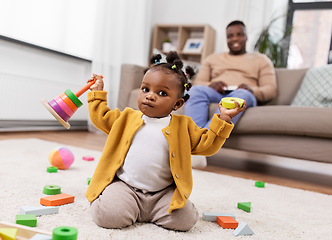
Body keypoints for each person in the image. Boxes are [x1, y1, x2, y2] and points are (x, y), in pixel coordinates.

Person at [85, 51, 246, 231]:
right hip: (126, 188)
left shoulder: (184, 126)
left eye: (161, 93)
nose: (150, 96)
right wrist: (97, 93)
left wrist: (223, 119)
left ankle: (147, 212)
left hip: (162, 194)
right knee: (108, 216)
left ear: (177, 104)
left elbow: (207, 144)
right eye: (145, 89)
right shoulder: (126, 117)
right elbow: (101, 116)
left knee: (186, 220)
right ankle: (124, 205)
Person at [184, 20, 277, 168]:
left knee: (240, 94)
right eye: (230, 36)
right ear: (226, 39)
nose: (234, 39)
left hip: (243, 94)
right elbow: (198, 83)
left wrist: (251, 90)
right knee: (195, 91)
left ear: (246, 37)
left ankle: (200, 150)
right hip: (216, 93)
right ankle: (193, 144)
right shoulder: (213, 58)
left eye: (239, 34)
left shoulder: (261, 60)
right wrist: (211, 85)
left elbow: (271, 89)